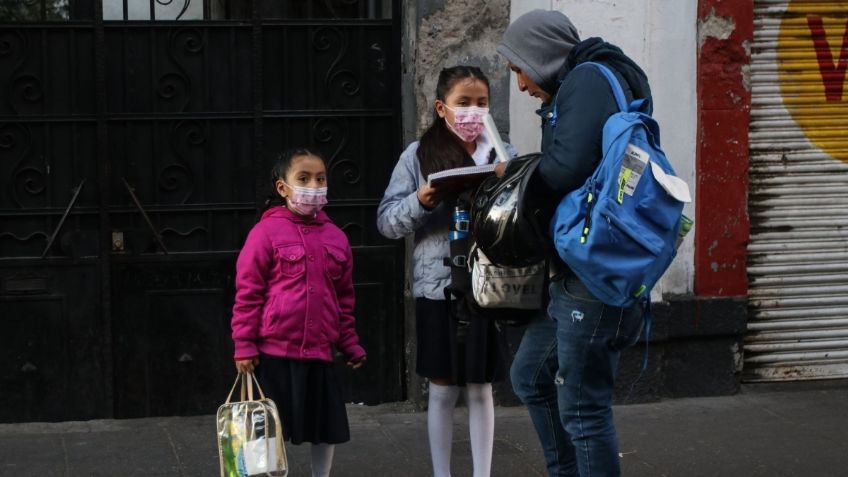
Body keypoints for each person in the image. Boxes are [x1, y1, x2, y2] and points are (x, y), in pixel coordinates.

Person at [496, 10, 650, 477]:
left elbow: (565, 168)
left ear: (541, 55)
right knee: (530, 377)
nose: (521, 84)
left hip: (594, 269)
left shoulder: (586, 80)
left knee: (584, 409)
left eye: (521, 68)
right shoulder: (592, 79)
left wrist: (517, 174)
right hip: (577, 264)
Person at [377, 65, 516, 477]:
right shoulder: (417, 155)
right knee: (442, 386)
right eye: (463, 103)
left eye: (481, 103)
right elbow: (386, 222)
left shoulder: (501, 152)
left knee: (480, 385)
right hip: (437, 287)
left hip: (486, 283)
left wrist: (508, 184)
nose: (473, 112)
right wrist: (421, 200)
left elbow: (523, 214)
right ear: (442, 108)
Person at [231, 148, 367, 477]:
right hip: (274, 352)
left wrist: (349, 343)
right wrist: (244, 344)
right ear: (283, 188)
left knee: (325, 424)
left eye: (320, 179)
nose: (313, 185)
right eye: (303, 179)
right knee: (267, 429)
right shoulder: (265, 234)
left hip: (320, 351)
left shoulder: (336, 238)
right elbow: (248, 293)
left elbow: (344, 299)